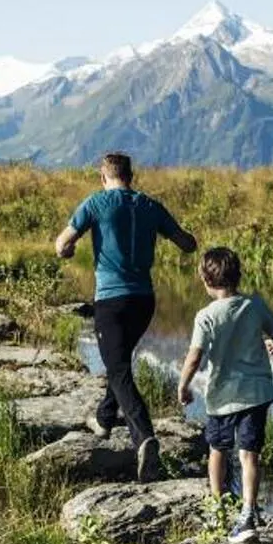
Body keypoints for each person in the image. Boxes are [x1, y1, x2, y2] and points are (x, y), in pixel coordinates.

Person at [54, 151, 197, 481]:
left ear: (103, 177)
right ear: (131, 176)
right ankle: (104, 419)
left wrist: (69, 250)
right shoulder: (150, 205)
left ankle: (144, 437)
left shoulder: (95, 203)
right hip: (144, 301)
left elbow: (62, 244)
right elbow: (187, 244)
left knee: (118, 370)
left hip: (111, 301)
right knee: (118, 363)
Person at [176, 245, 273, 544]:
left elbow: (194, 356)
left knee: (217, 450)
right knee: (250, 455)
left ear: (205, 280)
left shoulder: (205, 316)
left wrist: (183, 386)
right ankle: (248, 513)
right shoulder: (255, 306)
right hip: (256, 393)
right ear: (237, 276)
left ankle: (218, 507)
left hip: (222, 396)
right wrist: (272, 343)